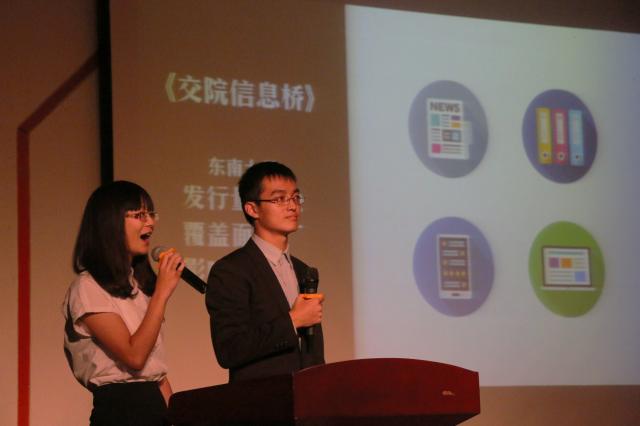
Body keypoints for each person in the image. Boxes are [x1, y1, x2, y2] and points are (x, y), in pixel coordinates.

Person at [63, 180, 184, 426]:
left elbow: (155, 373)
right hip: (121, 411)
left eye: (150, 214)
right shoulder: (88, 287)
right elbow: (134, 356)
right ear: (110, 223)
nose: (150, 222)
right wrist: (162, 293)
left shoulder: (139, 288)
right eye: (139, 215)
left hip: (155, 405)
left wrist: (176, 419)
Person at [206, 161, 325, 383]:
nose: (292, 206)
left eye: (295, 197)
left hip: (307, 396)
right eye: (279, 199)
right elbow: (229, 349)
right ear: (252, 209)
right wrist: (292, 321)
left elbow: (312, 351)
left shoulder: (303, 270)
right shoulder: (231, 270)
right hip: (260, 397)